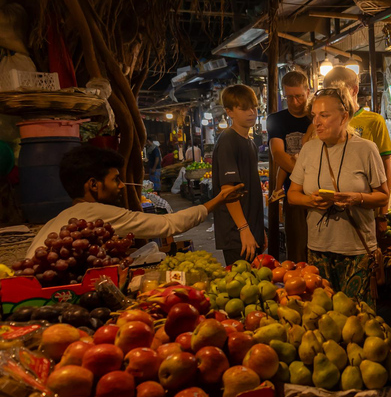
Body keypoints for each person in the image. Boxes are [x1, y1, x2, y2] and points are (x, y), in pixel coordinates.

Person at [27, 145, 244, 256]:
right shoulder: (95, 213)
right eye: (115, 180)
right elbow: (169, 224)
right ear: (93, 185)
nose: (121, 185)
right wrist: (218, 200)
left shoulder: (61, 218)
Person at [287, 86, 388, 305]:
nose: (317, 122)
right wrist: (310, 200)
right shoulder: (309, 150)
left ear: (344, 116)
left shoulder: (366, 149)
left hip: (357, 251)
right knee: (323, 321)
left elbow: (383, 196)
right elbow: (292, 195)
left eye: (324, 115)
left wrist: (357, 198)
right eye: (314, 116)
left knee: (359, 321)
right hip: (318, 249)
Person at [323, 67, 391, 209]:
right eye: (329, 92)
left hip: (365, 203)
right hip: (331, 202)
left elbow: (385, 165)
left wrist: (383, 211)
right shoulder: (325, 121)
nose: (333, 97)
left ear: (354, 90)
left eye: (338, 92)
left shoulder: (374, 120)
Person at [213, 84, 266, 265]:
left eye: (254, 107)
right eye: (244, 108)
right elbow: (229, 191)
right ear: (230, 112)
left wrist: (259, 230)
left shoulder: (249, 142)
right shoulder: (228, 140)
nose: (251, 112)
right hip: (237, 234)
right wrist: (244, 229)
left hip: (251, 230)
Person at [267, 71, 312, 263]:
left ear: (308, 91)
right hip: (294, 194)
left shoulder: (316, 116)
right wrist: (305, 175)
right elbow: (278, 154)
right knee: (298, 250)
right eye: (289, 97)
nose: (294, 102)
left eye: (299, 96)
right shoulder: (276, 120)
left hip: (321, 191)